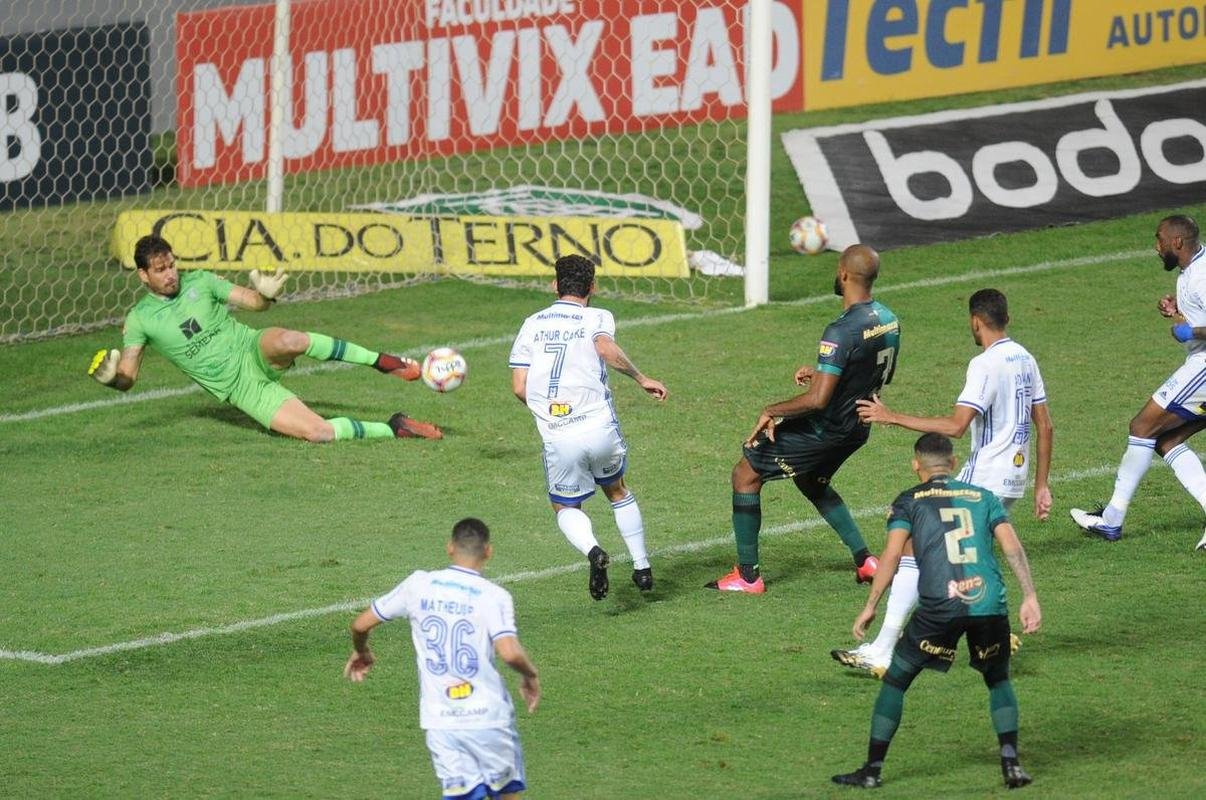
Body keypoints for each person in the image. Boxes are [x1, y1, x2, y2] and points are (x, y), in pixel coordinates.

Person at [834, 288, 1052, 674]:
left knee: (913, 549)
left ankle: (884, 649)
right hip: (1013, 479)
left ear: (975, 322)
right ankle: (991, 635)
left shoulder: (984, 364)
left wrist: (891, 416)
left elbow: (955, 426)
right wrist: (1040, 485)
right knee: (966, 560)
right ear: (1006, 318)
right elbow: (1045, 424)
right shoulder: (1026, 357)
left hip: (983, 477)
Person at [832, 434, 1041, 790]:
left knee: (896, 680)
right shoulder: (985, 498)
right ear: (954, 462)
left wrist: (870, 606)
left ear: (916, 464)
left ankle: (871, 770)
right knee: (998, 680)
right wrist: (1030, 595)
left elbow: (894, 556)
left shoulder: (908, 502)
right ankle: (1012, 765)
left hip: (939, 608)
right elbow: (1012, 547)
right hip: (988, 603)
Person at [87, 235, 441, 442]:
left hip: (251, 348)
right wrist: (112, 379)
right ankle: (395, 427)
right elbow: (128, 378)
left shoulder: (202, 282)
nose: (170, 275)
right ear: (143, 276)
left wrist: (266, 294)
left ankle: (382, 361)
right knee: (319, 433)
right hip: (242, 390)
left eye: (172, 265)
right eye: (161, 270)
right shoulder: (139, 320)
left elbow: (255, 304)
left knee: (290, 340)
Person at [707, 244, 899, 593]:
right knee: (811, 480)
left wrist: (771, 410)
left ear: (843, 273)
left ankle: (748, 577)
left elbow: (817, 401)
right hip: (858, 427)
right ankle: (866, 561)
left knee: (745, 473)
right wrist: (824, 372)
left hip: (826, 429)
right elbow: (872, 373)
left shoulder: (840, 330)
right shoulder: (887, 317)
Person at [344, 518, 539, 800]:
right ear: (488, 552)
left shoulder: (418, 585)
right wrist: (530, 675)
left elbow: (360, 625)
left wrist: (362, 652)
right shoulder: (493, 596)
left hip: (441, 722)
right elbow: (509, 652)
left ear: (450, 548)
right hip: (488, 718)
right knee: (506, 794)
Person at [509, 254, 667, 600]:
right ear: (592, 287)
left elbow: (519, 387)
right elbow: (605, 348)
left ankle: (594, 552)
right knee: (617, 490)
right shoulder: (597, 316)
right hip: (599, 428)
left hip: (559, 434)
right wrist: (641, 378)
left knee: (565, 506)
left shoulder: (531, 324)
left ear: (554, 285)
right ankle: (642, 568)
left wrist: (549, 414)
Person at [1071, 215, 1206, 550]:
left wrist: (1190, 331)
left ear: (1177, 242)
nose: (1156, 247)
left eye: (1159, 239)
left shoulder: (1203, 275)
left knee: (1143, 426)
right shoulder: (1191, 272)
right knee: (1166, 439)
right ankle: (1112, 520)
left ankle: (1112, 520)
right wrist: (1178, 312)